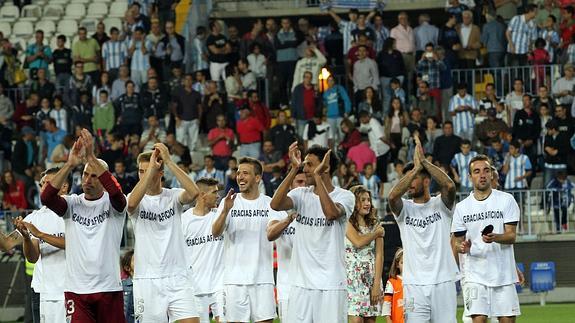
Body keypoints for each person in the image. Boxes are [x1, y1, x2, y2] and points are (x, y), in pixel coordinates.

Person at [40, 129, 127, 322]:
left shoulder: (115, 205)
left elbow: (117, 194)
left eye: (94, 176)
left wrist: (91, 156)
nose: (87, 180)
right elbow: (46, 197)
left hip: (109, 289)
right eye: (85, 174)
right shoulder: (71, 203)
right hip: (76, 291)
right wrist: (70, 164)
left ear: (104, 179)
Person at [270, 144, 355, 322]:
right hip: (301, 283)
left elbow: (331, 213)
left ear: (326, 167)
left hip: (331, 284)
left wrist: (317, 177)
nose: (305, 169)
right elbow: (275, 205)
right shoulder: (300, 194)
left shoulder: (345, 196)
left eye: (310, 164)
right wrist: (293, 169)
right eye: (305, 164)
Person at [387, 135, 458, 323]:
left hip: (443, 282)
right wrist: (415, 169)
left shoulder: (441, 206)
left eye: (414, 178)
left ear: (427, 181)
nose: (409, 182)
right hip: (414, 285)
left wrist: (425, 162)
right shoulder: (404, 209)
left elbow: (449, 185)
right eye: (406, 177)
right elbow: (392, 196)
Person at [127, 145, 200, 323]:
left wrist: (168, 161)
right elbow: (130, 205)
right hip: (147, 278)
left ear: (160, 173)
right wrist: (151, 168)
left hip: (178, 276)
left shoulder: (173, 196)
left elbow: (194, 192)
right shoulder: (134, 197)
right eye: (141, 171)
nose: (144, 174)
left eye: (150, 170)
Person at [212, 157, 283, 323]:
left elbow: (276, 232)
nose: (240, 177)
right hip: (235, 280)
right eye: (238, 173)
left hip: (262, 279)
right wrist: (224, 212)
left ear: (257, 178)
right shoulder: (228, 202)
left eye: (245, 173)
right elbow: (215, 232)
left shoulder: (270, 203)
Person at [452, 154, 521, 322]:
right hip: (474, 275)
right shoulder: (462, 207)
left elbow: (512, 236)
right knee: (479, 319)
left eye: (486, 170)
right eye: (476, 171)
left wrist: (495, 237)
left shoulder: (506, 200)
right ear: (470, 177)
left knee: (507, 320)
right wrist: (462, 247)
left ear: (491, 174)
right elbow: (457, 242)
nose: (482, 175)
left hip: (503, 274)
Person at [12, 168, 67, 323]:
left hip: (71, 289)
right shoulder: (34, 217)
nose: (43, 188)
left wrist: (40, 234)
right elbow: (32, 257)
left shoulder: (74, 209)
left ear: (64, 186)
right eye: (42, 184)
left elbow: (76, 244)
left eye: (48, 183)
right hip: (43, 291)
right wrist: (26, 238)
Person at [182, 178, 225, 323]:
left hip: (220, 284)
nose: (218, 196)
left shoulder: (220, 216)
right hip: (195, 287)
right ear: (202, 194)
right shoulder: (183, 220)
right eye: (214, 192)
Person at [266, 170, 306, 321]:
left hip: (313, 285)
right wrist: (288, 219)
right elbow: (270, 234)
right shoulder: (277, 210)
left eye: (305, 182)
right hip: (288, 287)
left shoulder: (316, 209)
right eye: (299, 182)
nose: (303, 185)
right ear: (290, 185)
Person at [345, 185, 384, 322]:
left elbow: (379, 255)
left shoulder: (375, 224)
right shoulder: (346, 222)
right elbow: (358, 241)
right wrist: (376, 234)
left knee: (370, 321)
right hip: (352, 281)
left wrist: (377, 285)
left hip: (372, 279)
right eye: (363, 200)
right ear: (354, 203)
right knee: (356, 320)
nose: (367, 203)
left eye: (368, 200)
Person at [382, 248, 404, 323]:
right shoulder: (392, 282)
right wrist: (388, 319)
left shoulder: (415, 282)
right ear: (397, 264)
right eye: (402, 262)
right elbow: (387, 302)